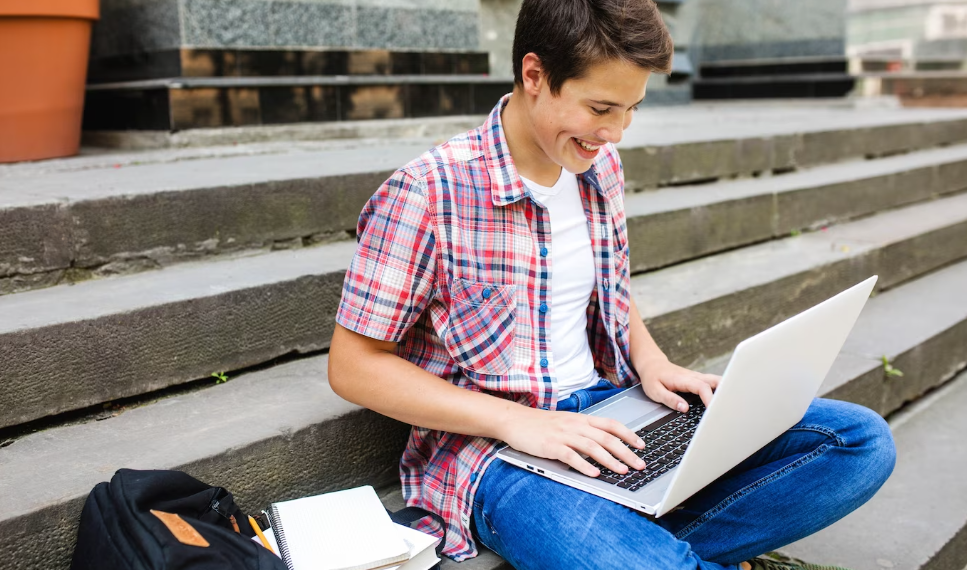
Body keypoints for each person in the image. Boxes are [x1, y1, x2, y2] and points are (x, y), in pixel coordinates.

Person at [328, 1, 897, 568]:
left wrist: (652, 363)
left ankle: (641, 536)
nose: (616, 133)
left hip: (615, 411)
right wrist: (519, 421)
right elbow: (354, 365)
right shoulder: (428, 193)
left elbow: (610, 293)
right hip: (496, 453)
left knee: (859, 442)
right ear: (534, 76)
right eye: (601, 107)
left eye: (631, 109)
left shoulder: (597, 167)